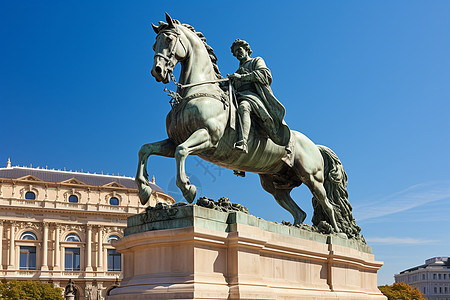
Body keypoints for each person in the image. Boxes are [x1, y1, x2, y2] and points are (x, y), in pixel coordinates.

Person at [228, 39, 291, 154]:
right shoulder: (237, 71)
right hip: (238, 96)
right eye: (235, 52)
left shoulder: (256, 61)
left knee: (243, 107)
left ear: (246, 50)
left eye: (239, 50)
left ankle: (243, 142)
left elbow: (265, 75)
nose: (237, 54)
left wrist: (241, 77)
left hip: (253, 96)